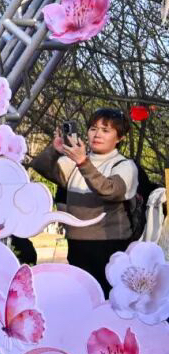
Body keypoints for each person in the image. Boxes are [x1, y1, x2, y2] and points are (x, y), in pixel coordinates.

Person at [31, 108, 138, 296]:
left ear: (119, 138)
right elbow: (41, 166)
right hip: (77, 245)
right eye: (93, 128)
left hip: (110, 245)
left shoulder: (124, 165)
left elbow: (109, 190)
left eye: (105, 130)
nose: (97, 135)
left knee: (109, 299)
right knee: (83, 298)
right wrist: (55, 150)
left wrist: (83, 163)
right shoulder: (76, 162)